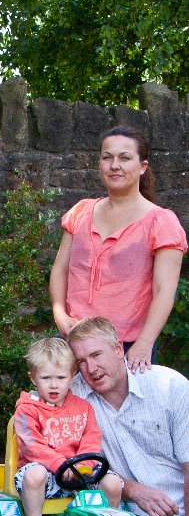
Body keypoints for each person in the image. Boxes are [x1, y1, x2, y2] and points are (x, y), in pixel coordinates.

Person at [49, 124, 186, 372]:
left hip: (128, 347)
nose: (115, 165)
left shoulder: (161, 222)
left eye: (125, 158)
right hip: (72, 343)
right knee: (68, 411)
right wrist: (60, 316)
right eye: (107, 157)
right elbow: (60, 270)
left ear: (142, 167)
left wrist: (144, 343)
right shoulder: (81, 212)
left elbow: (164, 289)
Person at [68, 317, 188, 516]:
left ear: (118, 348)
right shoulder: (75, 395)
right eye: (81, 362)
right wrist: (133, 491)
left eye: (96, 355)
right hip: (134, 515)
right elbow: (77, 463)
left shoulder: (169, 386)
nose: (91, 369)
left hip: (180, 506)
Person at [13, 337, 123, 516]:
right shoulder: (26, 409)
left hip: (80, 474)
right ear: (33, 378)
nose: (54, 384)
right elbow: (32, 446)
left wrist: (82, 466)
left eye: (61, 377)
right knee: (34, 474)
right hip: (47, 476)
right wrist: (61, 466)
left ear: (72, 377)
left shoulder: (84, 407)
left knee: (112, 483)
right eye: (46, 378)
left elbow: (92, 439)